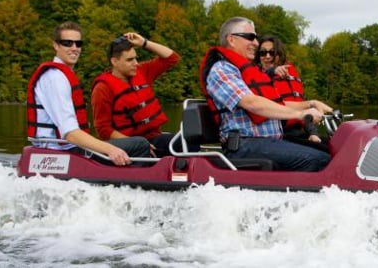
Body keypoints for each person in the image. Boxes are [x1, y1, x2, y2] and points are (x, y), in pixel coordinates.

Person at [199, 16, 332, 172]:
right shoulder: (221, 70)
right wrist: (299, 114)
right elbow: (251, 103)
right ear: (231, 39)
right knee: (319, 160)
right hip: (245, 145)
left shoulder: (249, 71)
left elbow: (276, 103)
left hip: (267, 142)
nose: (256, 42)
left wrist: (311, 104)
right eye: (250, 37)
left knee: (328, 151)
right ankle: (289, 196)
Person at [27, 21, 150, 166]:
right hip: (59, 153)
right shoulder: (55, 78)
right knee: (140, 145)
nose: (74, 48)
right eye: (67, 43)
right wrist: (110, 149)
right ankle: (140, 184)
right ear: (56, 45)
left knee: (139, 143)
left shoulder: (61, 75)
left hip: (69, 149)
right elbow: (70, 133)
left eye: (78, 44)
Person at [91, 32, 183, 157]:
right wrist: (136, 144)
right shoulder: (102, 89)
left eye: (135, 58)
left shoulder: (142, 71)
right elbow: (103, 130)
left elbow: (172, 58)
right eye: (130, 60)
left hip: (153, 138)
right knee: (181, 144)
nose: (136, 63)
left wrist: (144, 42)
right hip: (130, 146)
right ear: (114, 61)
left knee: (188, 142)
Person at [255, 35, 328, 152]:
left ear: (279, 54)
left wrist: (313, 133)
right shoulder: (256, 76)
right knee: (323, 153)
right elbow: (274, 103)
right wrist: (273, 71)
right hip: (278, 135)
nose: (267, 56)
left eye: (272, 52)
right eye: (263, 53)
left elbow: (303, 113)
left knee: (333, 147)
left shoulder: (290, 76)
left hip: (297, 131)